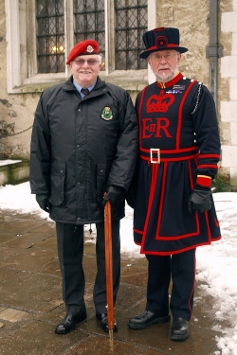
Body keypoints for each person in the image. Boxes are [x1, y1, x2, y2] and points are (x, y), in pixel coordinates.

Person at [30, 39, 138, 334]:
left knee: (108, 256)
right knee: (69, 257)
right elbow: (40, 146)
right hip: (64, 189)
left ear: (100, 64)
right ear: (71, 65)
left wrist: (118, 184)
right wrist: (40, 187)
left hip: (105, 191)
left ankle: (106, 308)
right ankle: (74, 309)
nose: (86, 66)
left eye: (92, 61)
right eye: (81, 62)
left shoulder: (116, 98)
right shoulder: (50, 98)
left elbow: (128, 145)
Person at [127, 27, 221, 341]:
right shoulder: (144, 96)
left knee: (182, 251)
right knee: (154, 250)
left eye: (168, 55)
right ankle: (156, 308)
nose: (162, 61)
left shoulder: (196, 92)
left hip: (182, 180)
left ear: (178, 57)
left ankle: (181, 313)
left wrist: (202, 186)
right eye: (156, 56)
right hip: (150, 180)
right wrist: (132, 184)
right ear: (150, 61)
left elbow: (210, 143)